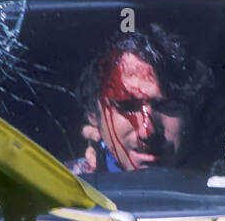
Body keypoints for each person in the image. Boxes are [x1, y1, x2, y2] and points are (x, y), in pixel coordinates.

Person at [66, 25, 212, 174]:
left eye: (167, 106)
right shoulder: (62, 188)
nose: (147, 132)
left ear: (193, 111)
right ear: (93, 114)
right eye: (127, 106)